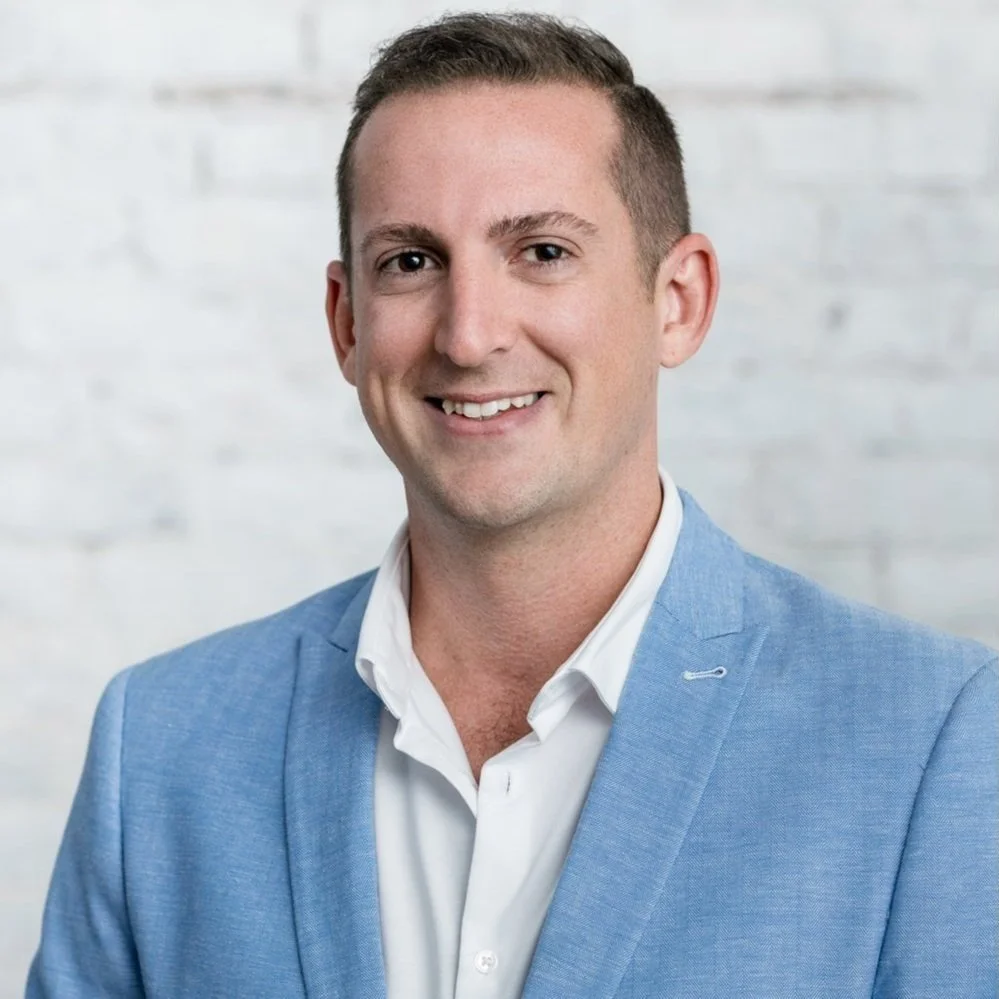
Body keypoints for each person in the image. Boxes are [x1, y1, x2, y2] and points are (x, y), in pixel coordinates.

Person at [26, 12, 997, 999]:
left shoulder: (931, 737)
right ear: (347, 322)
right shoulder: (160, 750)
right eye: (411, 261)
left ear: (679, 300)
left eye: (541, 251)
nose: (471, 333)